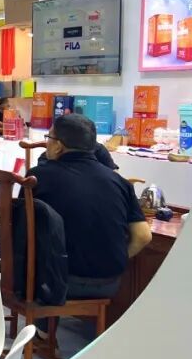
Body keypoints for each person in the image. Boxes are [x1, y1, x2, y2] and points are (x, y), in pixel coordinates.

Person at [28, 113, 151, 300]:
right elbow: (143, 236)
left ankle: (32, 316)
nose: (47, 144)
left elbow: (24, 229)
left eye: (49, 138)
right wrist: (111, 264)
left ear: (59, 145)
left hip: (58, 282)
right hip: (109, 284)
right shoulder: (120, 182)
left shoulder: (38, 177)